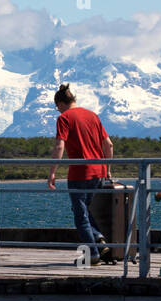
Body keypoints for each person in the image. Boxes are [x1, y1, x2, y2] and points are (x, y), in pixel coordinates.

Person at [46, 83, 115, 265]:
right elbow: (109, 144)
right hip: (98, 172)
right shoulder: (92, 115)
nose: (58, 111)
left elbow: (60, 145)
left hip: (79, 173)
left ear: (60, 104)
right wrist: (107, 169)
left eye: (57, 108)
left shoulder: (64, 118)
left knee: (80, 215)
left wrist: (52, 172)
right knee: (83, 209)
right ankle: (98, 238)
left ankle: (92, 254)